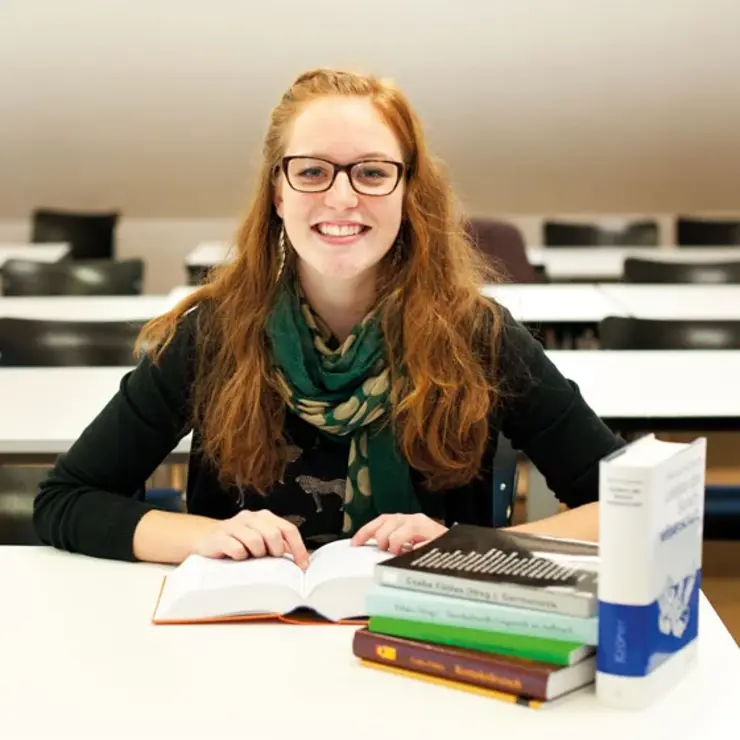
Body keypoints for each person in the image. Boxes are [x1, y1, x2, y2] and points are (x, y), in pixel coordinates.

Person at [33, 68, 623, 568]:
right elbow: (66, 498)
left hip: (426, 649)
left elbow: (629, 505)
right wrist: (203, 535)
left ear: (408, 192)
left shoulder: (477, 335)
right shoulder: (213, 334)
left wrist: (472, 548)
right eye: (312, 171)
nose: (342, 198)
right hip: (244, 648)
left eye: (371, 171)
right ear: (277, 193)